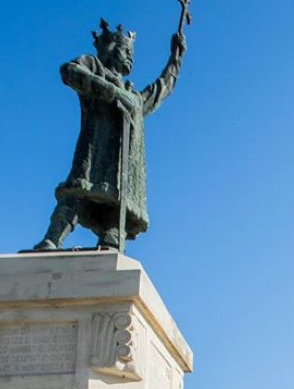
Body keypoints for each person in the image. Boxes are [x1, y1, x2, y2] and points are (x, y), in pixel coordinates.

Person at [34, 19, 186, 251]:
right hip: (95, 151)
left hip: (122, 170)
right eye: (125, 50)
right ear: (110, 48)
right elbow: (69, 71)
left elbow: (161, 90)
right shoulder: (94, 66)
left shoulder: (133, 95)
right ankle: (53, 239)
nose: (129, 56)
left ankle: (111, 240)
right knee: (78, 192)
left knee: (115, 212)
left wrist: (175, 59)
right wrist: (111, 92)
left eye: (131, 52)